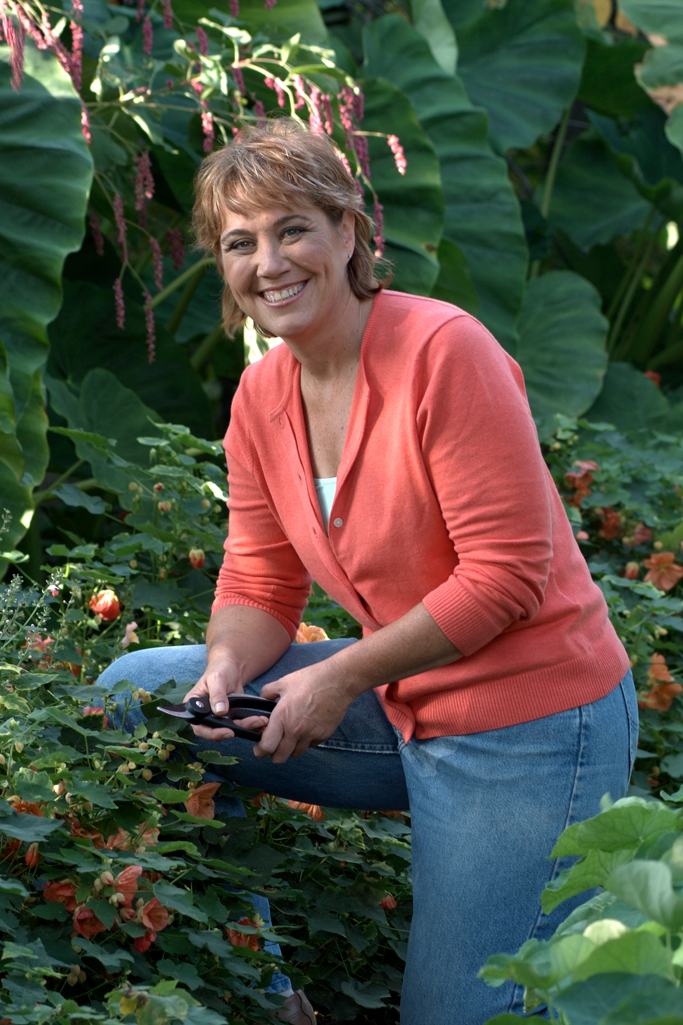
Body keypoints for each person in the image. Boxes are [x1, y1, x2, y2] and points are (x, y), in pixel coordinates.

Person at [99, 118, 638, 1025]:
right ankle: (268, 993)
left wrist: (336, 677)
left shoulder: (442, 351)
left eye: (291, 229)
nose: (268, 261)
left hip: (533, 729)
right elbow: (259, 580)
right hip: (402, 706)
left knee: (456, 1016)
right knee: (137, 695)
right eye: (240, 243)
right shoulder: (261, 397)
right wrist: (227, 670)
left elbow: (506, 575)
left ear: (348, 231)